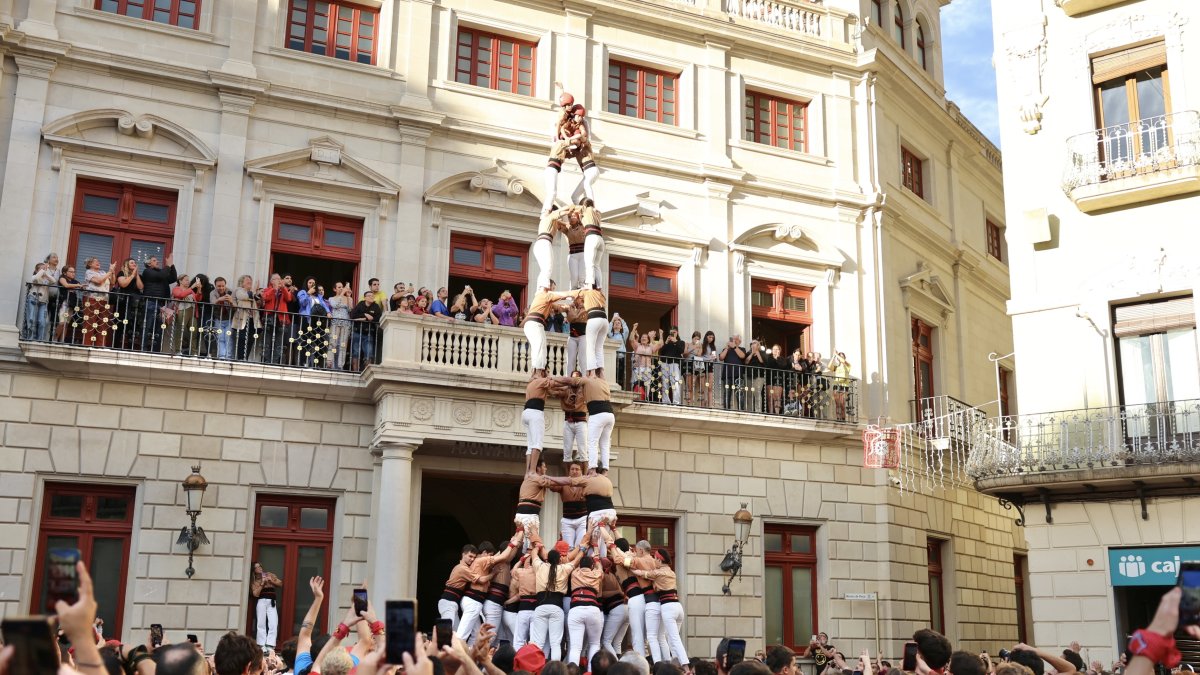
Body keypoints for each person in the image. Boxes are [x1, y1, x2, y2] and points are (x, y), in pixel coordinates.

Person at [458, 532, 524, 641]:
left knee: (482, 636)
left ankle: (471, 655)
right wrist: (519, 533)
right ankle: (463, 655)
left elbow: (504, 553)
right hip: (486, 603)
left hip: (485, 603)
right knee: (488, 638)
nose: (491, 557)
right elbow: (507, 553)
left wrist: (516, 536)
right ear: (484, 552)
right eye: (490, 554)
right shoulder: (499, 561)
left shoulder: (492, 560)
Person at [530, 540, 583, 661]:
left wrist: (537, 547)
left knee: (538, 643)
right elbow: (575, 561)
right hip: (556, 608)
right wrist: (583, 550)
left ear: (547, 559)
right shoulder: (563, 568)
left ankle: (537, 670)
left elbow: (534, 556)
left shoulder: (540, 566)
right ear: (559, 560)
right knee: (555, 644)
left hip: (540, 607)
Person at [633, 549, 688, 666]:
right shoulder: (672, 572)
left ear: (659, 559)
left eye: (655, 558)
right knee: (671, 639)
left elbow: (641, 573)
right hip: (678, 607)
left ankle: (685, 666)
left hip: (668, 607)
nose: (654, 560)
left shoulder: (657, 573)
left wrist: (632, 569)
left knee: (674, 639)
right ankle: (675, 665)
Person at [524, 281, 577, 378]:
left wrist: (567, 308)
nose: (553, 290)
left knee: (541, 347)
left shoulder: (546, 299)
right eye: (553, 288)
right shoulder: (545, 294)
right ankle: (537, 372)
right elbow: (563, 295)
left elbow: (558, 308)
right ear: (548, 287)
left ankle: (541, 371)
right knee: (539, 347)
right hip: (534, 323)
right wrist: (577, 293)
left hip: (536, 324)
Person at [566, 552, 605, 667]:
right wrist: (596, 560)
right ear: (592, 566)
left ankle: (572, 673)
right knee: (594, 644)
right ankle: (591, 671)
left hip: (575, 609)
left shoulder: (574, 573)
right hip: (593, 609)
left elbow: (575, 565)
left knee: (575, 647)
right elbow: (601, 570)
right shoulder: (596, 573)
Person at [140, 254, 177, 352]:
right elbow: (162, 275)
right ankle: (143, 349)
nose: (158, 262)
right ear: (149, 263)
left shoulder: (161, 273)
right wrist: (168, 266)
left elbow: (173, 278)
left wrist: (172, 265)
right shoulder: (147, 272)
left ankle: (156, 350)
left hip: (161, 304)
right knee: (148, 326)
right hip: (151, 302)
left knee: (159, 328)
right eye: (154, 260)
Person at [439, 544, 480, 631]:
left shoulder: (464, 568)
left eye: (474, 557)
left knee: (456, 634)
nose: (472, 559)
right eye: (470, 556)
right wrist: (493, 574)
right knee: (446, 631)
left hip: (452, 603)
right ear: (463, 554)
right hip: (448, 603)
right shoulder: (462, 569)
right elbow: (481, 580)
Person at [81, 257, 118, 348]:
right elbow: (99, 281)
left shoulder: (103, 273)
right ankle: (87, 344)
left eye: (98, 261)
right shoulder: (89, 272)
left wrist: (112, 271)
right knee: (90, 321)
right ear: (89, 264)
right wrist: (110, 271)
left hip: (104, 299)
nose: (98, 262)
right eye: (95, 261)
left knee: (102, 323)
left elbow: (113, 282)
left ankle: (100, 345)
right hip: (92, 299)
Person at [260, 274, 294, 365]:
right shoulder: (267, 289)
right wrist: (273, 289)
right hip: (269, 318)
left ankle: (275, 362)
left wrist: (282, 287)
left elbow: (289, 298)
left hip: (281, 319)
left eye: (280, 279)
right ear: (271, 281)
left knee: (279, 342)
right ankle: (266, 362)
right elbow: (265, 297)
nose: (278, 281)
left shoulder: (284, 290)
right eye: (276, 279)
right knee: (267, 341)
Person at [250, 561, 284, 651]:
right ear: (254, 570)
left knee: (273, 622)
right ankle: (261, 644)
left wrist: (271, 580)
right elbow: (255, 594)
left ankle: (270, 644)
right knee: (261, 623)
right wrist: (262, 583)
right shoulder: (255, 581)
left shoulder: (269, 574)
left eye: (260, 566)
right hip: (261, 601)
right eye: (257, 567)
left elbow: (280, 584)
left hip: (271, 601)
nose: (259, 568)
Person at [524, 375, 553, 474]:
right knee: (537, 444)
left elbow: (552, 391)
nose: (549, 374)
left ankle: (528, 472)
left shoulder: (532, 382)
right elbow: (555, 385)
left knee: (530, 445)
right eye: (548, 372)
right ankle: (532, 471)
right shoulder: (542, 381)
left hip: (526, 412)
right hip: (535, 412)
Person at [598, 559, 628, 656]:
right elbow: (620, 592)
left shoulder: (602, 576)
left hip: (617, 609)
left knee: (606, 641)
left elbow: (600, 594)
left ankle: (616, 663)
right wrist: (617, 592)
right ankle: (619, 665)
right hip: (626, 609)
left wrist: (616, 592)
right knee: (617, 642)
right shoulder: (612, 575)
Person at [23, 261, 58, 342]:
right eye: (42, 269)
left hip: (43, 302)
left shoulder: (47, 279)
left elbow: (53, 280)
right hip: (33, 299)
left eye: (45, 269)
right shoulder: (34, 276)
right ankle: (31, 339)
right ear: (36, 270)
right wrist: (42, 270)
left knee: (42, 322)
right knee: (31, 319)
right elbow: (36, 279)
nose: (44, 270)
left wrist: (45, 273)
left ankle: (40, 340)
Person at [232, 275, 262, 362]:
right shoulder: (239, 290)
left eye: (250, 281)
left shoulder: (251, 293)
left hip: (252, 320)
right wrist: (253, 291)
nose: (250, 282)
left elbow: (256, 299)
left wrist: (257, 293)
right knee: (241, 339)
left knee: (250, 340)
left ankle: (245, 359)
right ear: (242, 283)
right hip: (242, 320)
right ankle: (240, 358)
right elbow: (243, 297)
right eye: (247, 281)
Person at [561, 376, 589, 465]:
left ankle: (584, 477)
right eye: (572, 377)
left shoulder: (585, 390)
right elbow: (553, 391)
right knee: (567, 452)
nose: (574, 379)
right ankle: (568, 476)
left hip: (580, 422)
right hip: (568, 422)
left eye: (577, 377)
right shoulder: (566, 390)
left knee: (583, 451)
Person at [350, 290, 379, 371]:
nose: (371, 297)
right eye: (369, 296)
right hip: (357, 332)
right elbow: (353, 316)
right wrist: (365, 315)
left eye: (372, 296)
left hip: (369, 333)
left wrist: (363, 319)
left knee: (369, 353)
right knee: (355, 353)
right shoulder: (360, 304)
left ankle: (367, 373)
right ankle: (355, 372)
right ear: (365, 297)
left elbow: (377, 318)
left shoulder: (376, 306)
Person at [328, 282, 354, 370]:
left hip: (345, 324)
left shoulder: (347, 298)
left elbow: (350, 309)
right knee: (333, 343)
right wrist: (342, 293)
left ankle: (340, 365)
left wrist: (349, 297)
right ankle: (330, 363)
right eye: (339, 287)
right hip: (335, 323)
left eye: (342, 287)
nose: (341, 288)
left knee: (343, 345)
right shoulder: (331, 298)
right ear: (334, 289)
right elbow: (335, 305)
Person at [210, 277, 236, 360]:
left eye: (222, 286)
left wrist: (231, 301)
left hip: (229, 319)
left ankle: (228, 357)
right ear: (215, 286)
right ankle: (222, 356)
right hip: (218, 319)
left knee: (228, 338)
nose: (221, 288)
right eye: (219, 286)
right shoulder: (213, 293)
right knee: (220, 337)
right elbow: (212, 303)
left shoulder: (231, 292)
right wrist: (219, 299)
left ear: (225, 285)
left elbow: (236, 306)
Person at [719, 336, 747, 410]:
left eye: (736, 339)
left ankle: (741, 410)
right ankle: (726, 409)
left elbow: (742, 356)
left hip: (738, 375)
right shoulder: (726, 349)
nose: (734, 341)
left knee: (740, 393)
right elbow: (721, 358)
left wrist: (734, 347)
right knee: (727, 393)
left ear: (740, 341)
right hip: (727, 375)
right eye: (732, 339)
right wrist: (727, 348)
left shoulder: (742, 349)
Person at [658, 328, 684, 405]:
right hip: (664, 363)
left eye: (674, 332)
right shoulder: (667, 343)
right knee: (664, 382)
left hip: (674, 363)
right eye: (671, 333)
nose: (672, 334)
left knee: (675, 383)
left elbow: (681, 350)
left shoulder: (681, 342)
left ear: (677, 333)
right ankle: (665, 401)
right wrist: (666, 342)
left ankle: (676, 402)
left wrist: (675, 341)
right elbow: (661, 352)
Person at [565, 296, 588, 376]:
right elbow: (571, 319)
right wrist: (573, 311)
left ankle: (584, 377)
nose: (575, 301)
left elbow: (577, 317)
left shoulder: (586, 308)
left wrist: (578, 313)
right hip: (572, 337)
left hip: (582, 336)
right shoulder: (570, 308)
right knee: (570, 359)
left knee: (582, 359)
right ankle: (568, 377)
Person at [608, 314, 629, 388]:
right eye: (615, 323)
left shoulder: (623, 335)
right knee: (614, 373)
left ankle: (621, 387)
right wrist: (612, 320)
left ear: (621, 327)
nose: (617, 323)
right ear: (613, 326)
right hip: (613, 357)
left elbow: (626, 330)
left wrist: (621, 319)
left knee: (621, 374)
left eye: (618, 323)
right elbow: (607, 330)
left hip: (622, 357)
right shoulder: (611, 335)